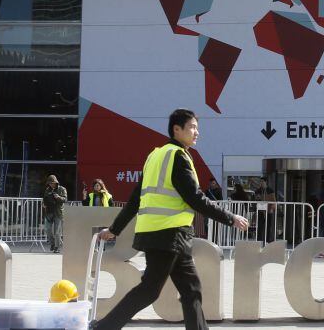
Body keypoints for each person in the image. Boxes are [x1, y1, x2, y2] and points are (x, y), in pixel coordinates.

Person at [92, 109, 248, 330]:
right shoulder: (178, 157)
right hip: (169, 235)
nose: (197, 132)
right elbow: (195, 198)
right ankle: (102, 328)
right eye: (192, 127)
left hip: (168, 235)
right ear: (177, 129)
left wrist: (115, 229)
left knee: (191, 290)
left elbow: (135, 198)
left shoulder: (155, 156)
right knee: (149, 291)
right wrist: (230, 218)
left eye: (197, 127)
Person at [42, 175, 67, 253]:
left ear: (56, 182)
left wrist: (58, 197)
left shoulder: (62, 189)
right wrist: (43, 204)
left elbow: (65, 199)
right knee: (47, 229)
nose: (51, 184)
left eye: (53, 183)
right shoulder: (47, 190)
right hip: (49, 212)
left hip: (58, 213)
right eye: (50, 183)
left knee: (57, 232)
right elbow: (45, 199)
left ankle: (57, 247)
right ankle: (52, 243)